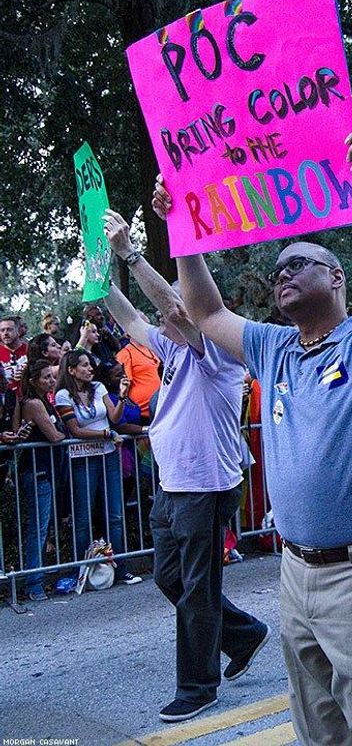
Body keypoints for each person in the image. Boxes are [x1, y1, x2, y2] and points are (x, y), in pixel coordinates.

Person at [165, 129, 352, 745]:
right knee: (320, 730)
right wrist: (184, 236)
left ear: (337, 276)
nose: (282, 276)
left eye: (298, 264)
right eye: (277, 271)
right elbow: (209, 314)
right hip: (296, 572)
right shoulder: (273, 348)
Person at [100, 209, 269, 723]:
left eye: (182, 304)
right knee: (171, 579)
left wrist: (131, 253)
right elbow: (131, 317)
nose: (171, 310)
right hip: (172, 484)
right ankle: (244, 634)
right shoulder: (167, 348)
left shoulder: (215, 351)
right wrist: (98, 278)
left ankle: (198, 687)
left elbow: (169, 303)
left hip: (207, 484)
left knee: (197, 588)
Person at [54, 349, 140, 585]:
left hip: (108, 455)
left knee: (115, 514)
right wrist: (105, 434)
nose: (90, 368)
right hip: (83, 458)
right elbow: (76, 430)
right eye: (84, 365)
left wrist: (122, 397)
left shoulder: (99, 388)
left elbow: (114, 417)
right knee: (83, 517)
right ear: (71, 370)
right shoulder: (63, 395)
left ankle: (121, 568)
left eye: (90, 364)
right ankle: (82, 572)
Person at [17, 360, 65, 601]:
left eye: (52, 376)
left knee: (43, 527)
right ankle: (34, 583)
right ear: (34, 380)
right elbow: (55, 435)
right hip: (37, 472)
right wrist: (68, 433)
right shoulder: (34, 403)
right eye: (46, 377)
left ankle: (38, 579)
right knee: (38, 528)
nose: (51, 381)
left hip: (46, 469)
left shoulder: (46, 400)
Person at [115, 321, 161, 422]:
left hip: (162, 405)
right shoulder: (125, 354)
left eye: (147, 324)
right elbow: (123, 385)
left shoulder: (151, 348)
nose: (145, 328)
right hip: (144, 412)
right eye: (141, 324)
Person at [0, 315, 28, 394]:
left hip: (28, 397)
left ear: (18, 332)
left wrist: (27, 373)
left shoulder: (30, 350)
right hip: (5, 400)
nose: (5, 333)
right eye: (2, 330)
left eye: (9, 330)